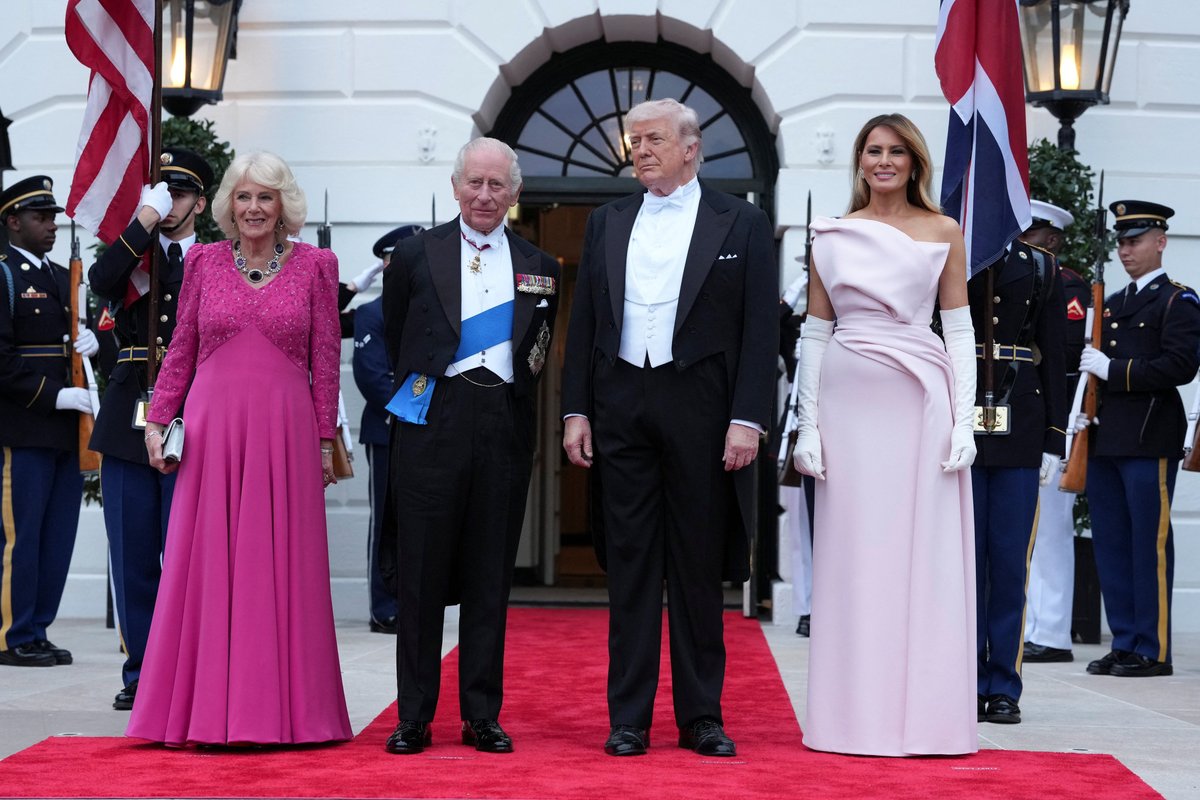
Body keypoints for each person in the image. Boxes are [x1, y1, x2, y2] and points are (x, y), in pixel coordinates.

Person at [561, 98, 777, 758]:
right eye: (635, 140)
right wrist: (576, 409)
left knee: (694, 567)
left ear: (691, 147)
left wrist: (747, 421)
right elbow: (587, 322)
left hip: (702, 408)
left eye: (653, 139)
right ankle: (628, 718)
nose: (641, 150)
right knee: (629, 568)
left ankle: (700, 716)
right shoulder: (606, 221)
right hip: (622, 400)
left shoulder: (740, 220)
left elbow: (758, 328)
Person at [126, 151, 351, 746]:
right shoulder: (201, 262)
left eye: (266, 198)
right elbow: (180, 350)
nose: (253, 208)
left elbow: (326, 358)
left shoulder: (316, 266)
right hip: (212, 429)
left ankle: (288, 712)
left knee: (282, 566)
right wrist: (158, 421)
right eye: (244, 197)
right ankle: (200, 711)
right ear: (228, 205)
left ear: (284, 207)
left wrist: (325, 438)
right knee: (206, 565)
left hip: (285, 430)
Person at [791, 113, 977, 756]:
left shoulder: (942, 230)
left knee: (919, 556)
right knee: (855, 561)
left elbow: (959, 329)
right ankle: (850, 719)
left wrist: (966, 421)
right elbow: (814, 332)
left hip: (920, 401)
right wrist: (806, 425)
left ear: (916, 161)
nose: (884, 161)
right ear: (859, 160)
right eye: (873, 150)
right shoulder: (833, 234)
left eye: (896, 151)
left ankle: (925, 718)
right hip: (847, 408)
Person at [380, 138, 559, 755]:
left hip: (503, 424)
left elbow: (537, 351)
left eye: (497, 186)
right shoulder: (413, 255)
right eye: (474, 184)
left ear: (515, 194)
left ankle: (481, 714)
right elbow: (394, 335)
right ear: (455, 186)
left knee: (489, 576)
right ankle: (414, 716)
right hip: (434, 420)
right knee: (422, 576)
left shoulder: (541, 265)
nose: (485, 196)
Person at [87, 148, 214, 710]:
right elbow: (101, 279)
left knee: (189, 556)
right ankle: (140, 670)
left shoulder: (215, 259)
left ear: (201, 203)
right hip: (128, 416)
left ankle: (187, 669)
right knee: (133, 555)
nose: (171, 204)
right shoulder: (135, 254)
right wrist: (141, 221)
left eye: (181, 193)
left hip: (195, 416)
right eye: (165, 193)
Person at [1075, 200, 1200, 678]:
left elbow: (1180, 366)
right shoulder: (1114, 303)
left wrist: (1115, 371)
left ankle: (1153, 647)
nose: (1126, 250)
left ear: (1160, 242)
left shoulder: (1177, 301)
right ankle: (1125, 640)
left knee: (1150, 545)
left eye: (1136, 241)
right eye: (1122, 242)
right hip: (1107, 439)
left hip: (1149, 438)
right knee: (1111, 543)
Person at [968, 203, 1068, 726]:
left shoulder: (1042, 267)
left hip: (1020, 422)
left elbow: (1054, 355)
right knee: (964, 566)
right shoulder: (952, 256)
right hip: (960, 420)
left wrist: (1054, 439)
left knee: (1009, 563)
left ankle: (1003, 683)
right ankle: (963, 680)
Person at [0, 176, 99, 668]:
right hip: (23, 427)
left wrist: (95, 343)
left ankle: (38, 628)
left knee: (57, 536)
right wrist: (56, 395)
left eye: (53, 217)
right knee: (21, 537)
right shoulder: (5, 277)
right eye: (40, 218)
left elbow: (84, 336)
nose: (51, 226)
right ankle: (11, 633)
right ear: (13, 222)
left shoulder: (64, 278)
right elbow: (1, 362)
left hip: (65, 430)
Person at [1022, 200, 1087, 665]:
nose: (1024, 241)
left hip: (1057, 420)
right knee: (1027, 531)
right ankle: (1032, 627)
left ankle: (1053, 632)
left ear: (1053, 240)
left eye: (1033, 234)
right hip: (1029, 417)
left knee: (1052, 532)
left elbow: (1061, 354)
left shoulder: (1068, 287)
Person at [352, 223, 423, 635]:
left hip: (431, 430)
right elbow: (372, 376)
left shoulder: (435, 307)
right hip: (389, 429)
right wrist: (415, 410)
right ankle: (385, 606)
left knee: (425, 520)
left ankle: (417, 602)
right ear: (386, 263)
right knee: (386, 520)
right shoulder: (371, 313)